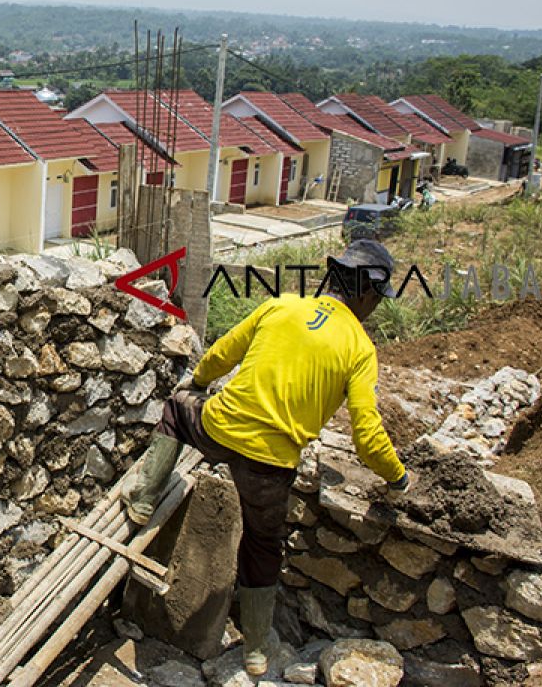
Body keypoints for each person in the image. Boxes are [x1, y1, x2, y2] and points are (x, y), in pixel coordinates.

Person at [123, 238, 410, 677]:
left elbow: (222, 353)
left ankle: (143, 499)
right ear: (367, 294)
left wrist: (196, 385)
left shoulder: (283, 306)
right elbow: (367, 437)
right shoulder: (359, 349)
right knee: (262, 546)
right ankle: (256, 649)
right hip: (271, 466)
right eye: (377, 300)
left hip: (219, 427)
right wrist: (398, 478)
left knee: (176, 412)